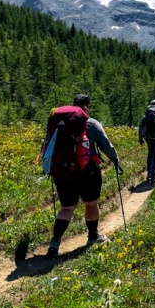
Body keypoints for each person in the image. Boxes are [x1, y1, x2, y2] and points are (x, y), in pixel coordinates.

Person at [44, 94, 120, 259]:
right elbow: (106, 145)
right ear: (87, 106)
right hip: (88, 171)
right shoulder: (90, 123)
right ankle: (93, 235)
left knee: (66, 208)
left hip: (62, 172)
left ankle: (55, 242)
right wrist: (115, 159)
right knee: (91, 204)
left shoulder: (58, 122)